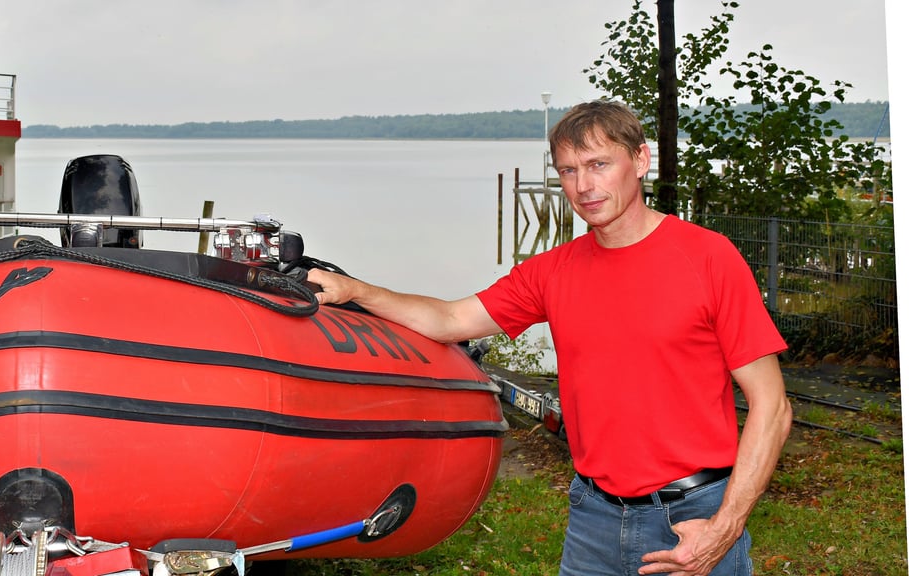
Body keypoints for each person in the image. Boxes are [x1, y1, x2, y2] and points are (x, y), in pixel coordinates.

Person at [307, 99, 792, 576]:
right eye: (568, 171)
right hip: (593, 517)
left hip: (694, 514)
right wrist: (358, 290)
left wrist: (725, 526)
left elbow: (772, 406)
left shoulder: (708, 258)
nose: (583, 186)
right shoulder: (553, 271)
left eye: (598, 164)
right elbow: (451, 319)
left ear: (641, 160)